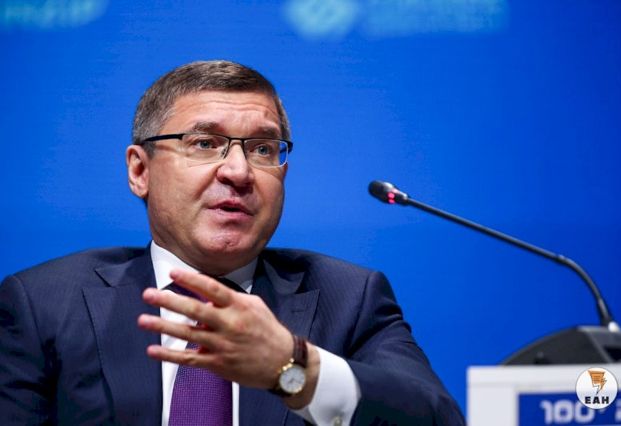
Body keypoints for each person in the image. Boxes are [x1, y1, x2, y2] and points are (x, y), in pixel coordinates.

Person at [0, 60, 464, 425]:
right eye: (205, 143)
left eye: (263, 149)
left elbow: (436, 418)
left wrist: (294, 369)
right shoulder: (43, 304)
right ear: (140, 171)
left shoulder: (349, 299)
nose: (239, 172)